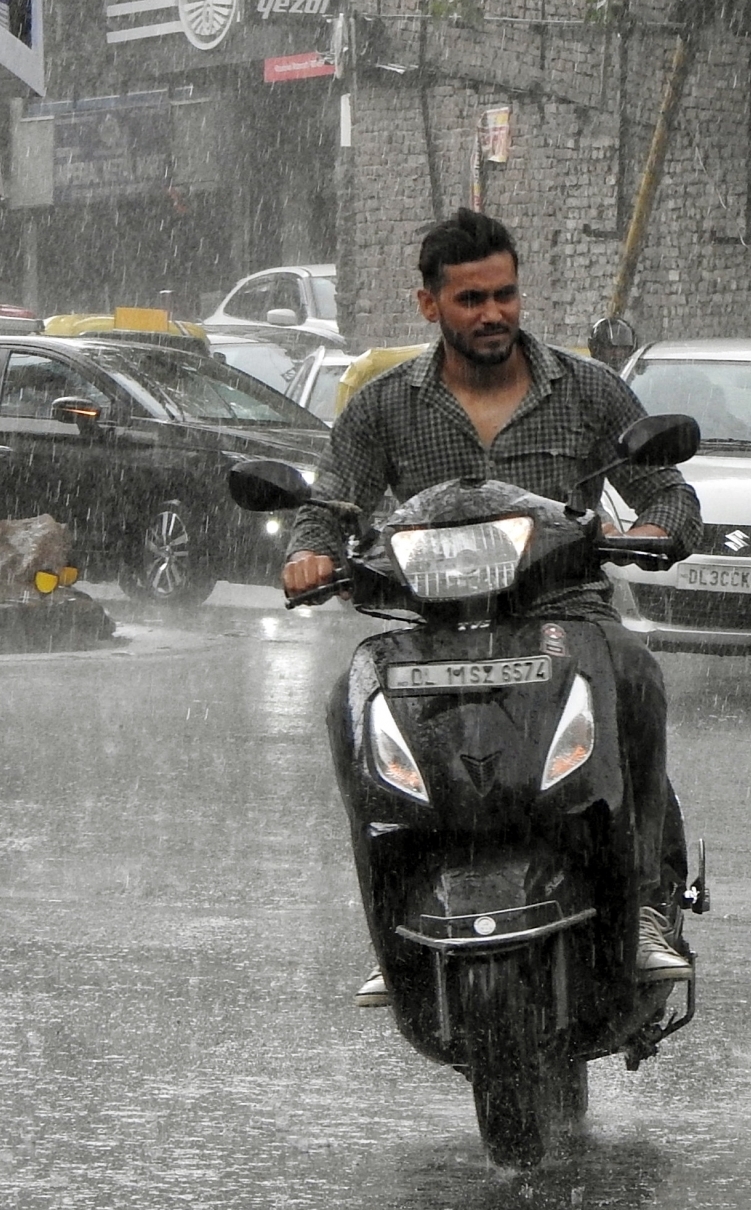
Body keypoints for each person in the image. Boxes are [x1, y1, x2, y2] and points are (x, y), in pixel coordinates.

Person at [283, 208, 703, 1007]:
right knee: (350, 696)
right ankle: (393, 913)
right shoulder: (383, 408)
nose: (492, 314)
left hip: (567, 616)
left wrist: (656, 527)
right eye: (470, 300)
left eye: (504, 295)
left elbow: (670, 493)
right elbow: (330, 505)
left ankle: (648, 903)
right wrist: (310, 552)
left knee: (637, 677)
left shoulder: (587, 390)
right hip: (431, 631)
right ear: (429, 306)